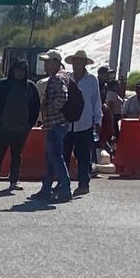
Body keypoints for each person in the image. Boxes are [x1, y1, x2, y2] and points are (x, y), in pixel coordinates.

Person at [0, 60, 40, 192]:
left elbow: (36, 107)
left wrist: (29, 125)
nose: (19, 73)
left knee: (17, 156)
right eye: (17, 70)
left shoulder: (30, 87)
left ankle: (13, 181)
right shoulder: (1, 86)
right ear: (12, 71)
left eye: (22, 70)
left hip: (21, 129)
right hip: (2, 128)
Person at [31, 50, 72, 203]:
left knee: (56, 158)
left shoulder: (57, 79)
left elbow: (62, 97)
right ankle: (46, 189)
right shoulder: (64, 76)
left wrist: (49, 109)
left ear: (56, 62)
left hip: (55, 123)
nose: (45, 65)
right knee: (51, 158)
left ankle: (65, 190)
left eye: (48, 62)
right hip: (58, 123)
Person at [62, 50, 103, 197]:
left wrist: (97, 120)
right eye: (75, 62)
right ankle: (62, 183)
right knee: (64, 156)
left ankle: (83, 184)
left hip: (85, 124)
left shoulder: (92, 80)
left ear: (85, 64)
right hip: (67, 124)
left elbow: (96, 102)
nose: (76, 65)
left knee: (83, 157)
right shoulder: (66, 79)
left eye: (80, 62)